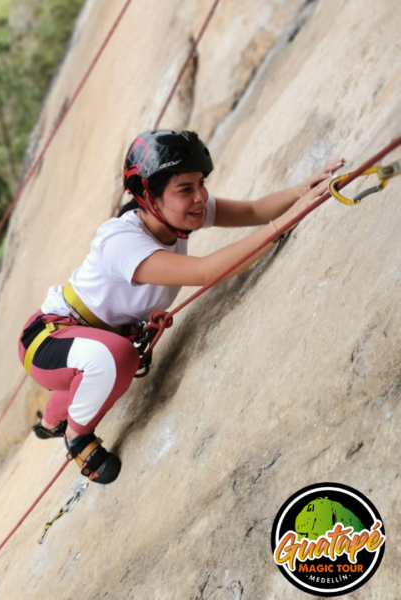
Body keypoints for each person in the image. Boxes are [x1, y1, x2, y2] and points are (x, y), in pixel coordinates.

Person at [17, 130, 343, 484]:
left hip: (85, 337)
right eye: (185, 189)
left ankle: (51, 421)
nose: (201, 197)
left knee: (107, 353)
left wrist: (301, 191)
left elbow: (251, 210)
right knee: (116, 356)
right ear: (149, 197)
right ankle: (76, 435)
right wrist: (292, 216)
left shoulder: (179, 213)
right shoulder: (121, 241)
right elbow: (204, 272)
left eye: (201, 183)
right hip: (47, 339)